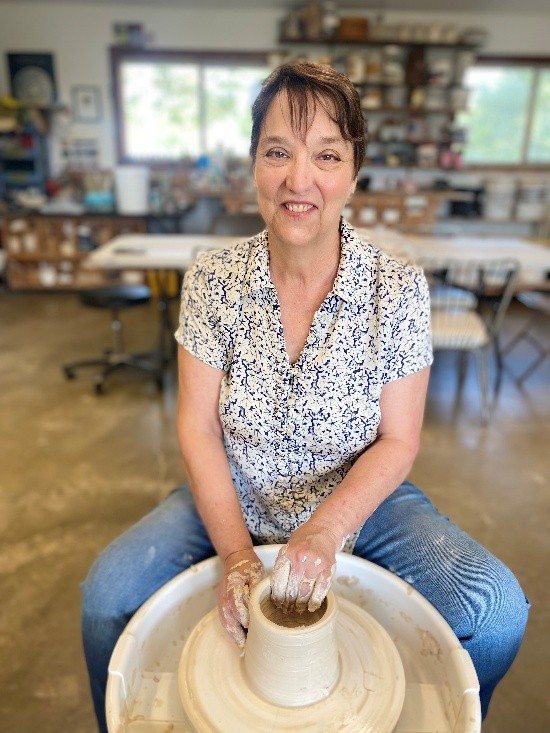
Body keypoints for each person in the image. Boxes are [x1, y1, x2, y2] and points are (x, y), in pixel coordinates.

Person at [81, 61, 528, 732]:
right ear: (253, 166)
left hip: (360, 506)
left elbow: (399, 440)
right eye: (277, 152)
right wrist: (237, 555)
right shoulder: (213, 279)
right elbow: (198, 428)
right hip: (236, 492)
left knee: (494, 613)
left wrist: (324, 530)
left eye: (326, 155)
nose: (299, 179)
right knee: (105, 601)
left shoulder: (397, 288)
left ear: (354, 174)